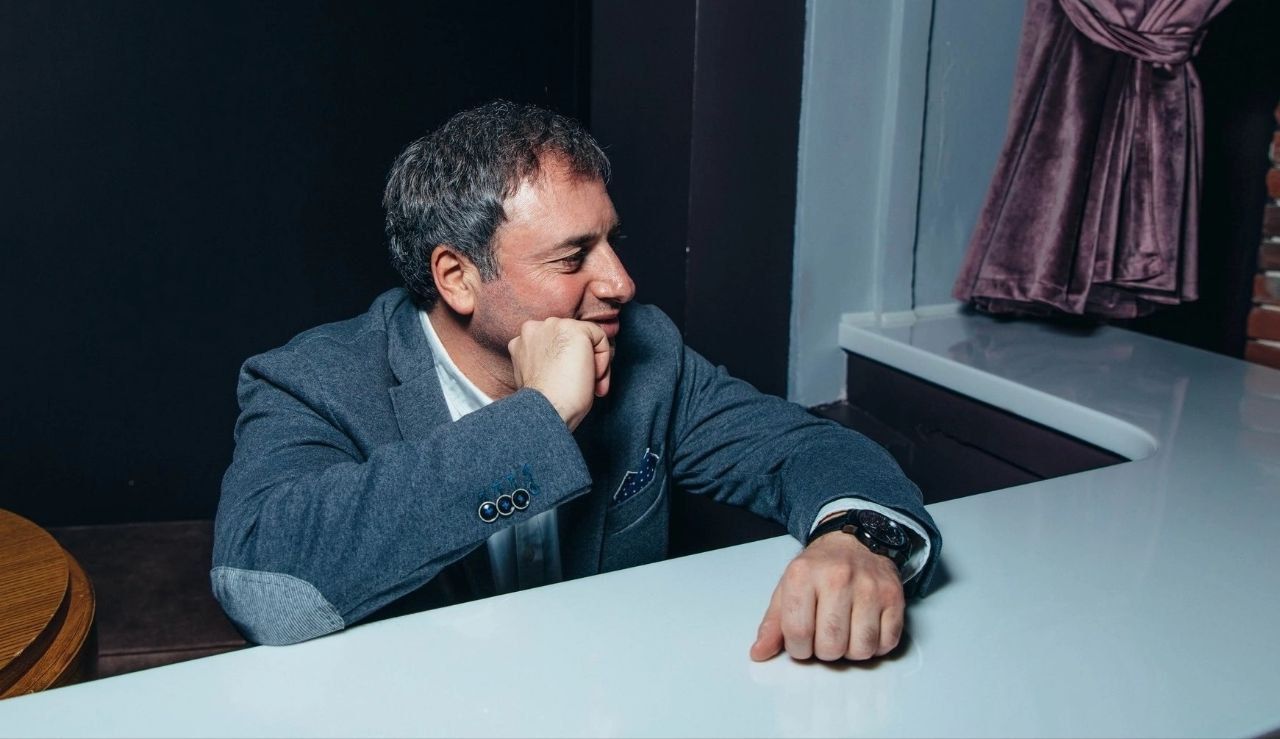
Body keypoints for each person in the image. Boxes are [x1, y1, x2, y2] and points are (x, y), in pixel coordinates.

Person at [212, 100, 942, 662]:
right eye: (572, 258)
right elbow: (264, 585)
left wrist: (857, 537)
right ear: (457, 277)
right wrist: (537, 420)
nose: (621, 283)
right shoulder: (313, 382)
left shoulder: (646, 352)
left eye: (611, 242)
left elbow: (798, 448)